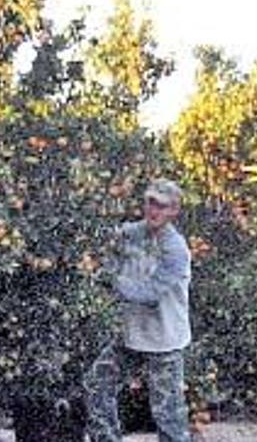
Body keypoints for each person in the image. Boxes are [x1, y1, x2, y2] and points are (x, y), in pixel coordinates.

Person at [84, 178, 193, 442]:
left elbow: (148, 293)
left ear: (174, 211)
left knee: (168, 414)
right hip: (131, 337)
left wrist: (107, 278)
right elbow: (105, 242)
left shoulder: (175, 250)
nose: (154, 210)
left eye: (162, 206)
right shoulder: (131, 233)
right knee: (96, 384)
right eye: (150, 202)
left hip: (164, 342)